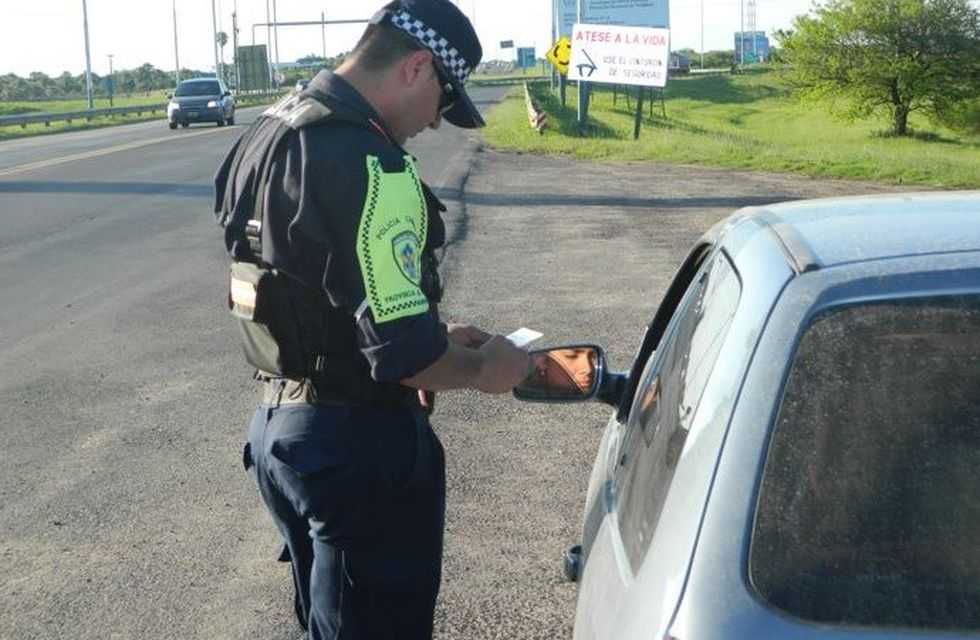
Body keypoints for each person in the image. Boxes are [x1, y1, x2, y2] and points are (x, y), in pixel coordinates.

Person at [212, 1, 530, 638]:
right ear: (417, 67)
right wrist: (485, 367)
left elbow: (305, 285)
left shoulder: (267, 133)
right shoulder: (372, 162)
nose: (435, 120)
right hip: (358, 448)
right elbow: (407, 357)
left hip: (283, 436)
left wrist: (429, 334)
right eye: (444, 98)